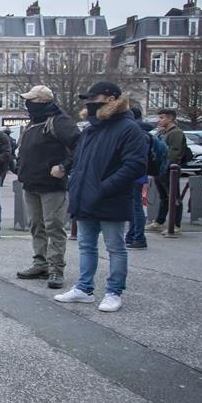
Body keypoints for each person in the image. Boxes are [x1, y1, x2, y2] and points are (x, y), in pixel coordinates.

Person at [55, 82, 146, 313]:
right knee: (86, 245)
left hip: (111, 197)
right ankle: (84, 289)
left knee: (115, 246)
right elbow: (80, 161)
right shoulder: (91, 129)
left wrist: (103, 188)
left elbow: (134, 166)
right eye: (88, 98)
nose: (90, 102)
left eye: (95, 97)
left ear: (112, 98)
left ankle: (114, 292)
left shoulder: (128, 128)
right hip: (86, 197)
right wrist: (75, 184)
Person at [15, 84, 80, 290]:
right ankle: (40, 264)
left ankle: (56, 269)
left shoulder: (59, 121)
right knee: (37, 226)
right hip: (31, 183)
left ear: (42, 101)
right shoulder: (34, 123)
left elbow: (80, 145)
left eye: (31, 100)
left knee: (54, 227)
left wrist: (64, 166)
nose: (27, 104)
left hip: (52, 185)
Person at [145, 108, 187, 235]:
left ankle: (175, 224)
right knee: (164, 197)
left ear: (170, 118)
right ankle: (159, 221)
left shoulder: (176, 133)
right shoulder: (162, 132)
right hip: (160, 169)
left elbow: (174, 153)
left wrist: (166, 167)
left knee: (174, 197)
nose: (159, 120)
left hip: (169, 170)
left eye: (162, 117)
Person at [125, 108, 152, 249]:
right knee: (134, 206)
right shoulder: (143, 132)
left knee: (136, 206)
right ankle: (132, 235)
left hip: (136, 175)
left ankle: (138, 237)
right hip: (139, 174)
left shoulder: (138, 133)